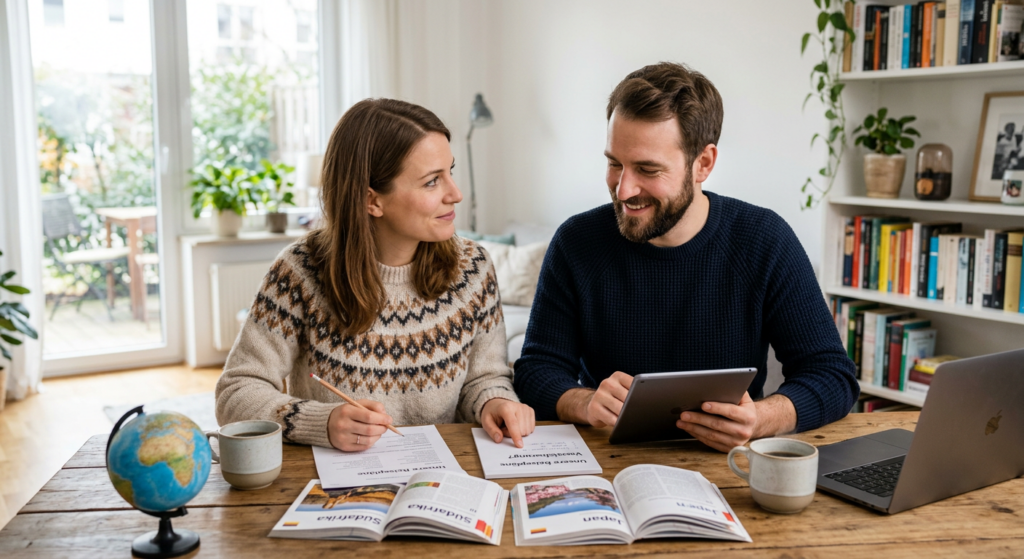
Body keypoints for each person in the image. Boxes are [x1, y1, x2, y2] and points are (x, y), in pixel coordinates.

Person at [513, 62, 859, 452]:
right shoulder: (576, 242)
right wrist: (585, 401)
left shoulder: (765, 240)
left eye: (647, 169)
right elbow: (536, 370)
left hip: (727, 468)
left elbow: (832, 376)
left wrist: (761, 418)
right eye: (614, 164)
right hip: (604, 459)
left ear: (703, 164)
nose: (624, 189)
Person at [216, 99, 535, 451]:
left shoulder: (474, 269)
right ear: (372, 201)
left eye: (450, 172)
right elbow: (236, 393)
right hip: (334, 487)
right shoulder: (299, 272)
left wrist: (495, 401)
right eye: (432, 182)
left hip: (442, 482)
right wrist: (320, 422)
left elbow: (486, 378)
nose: (455, 194)